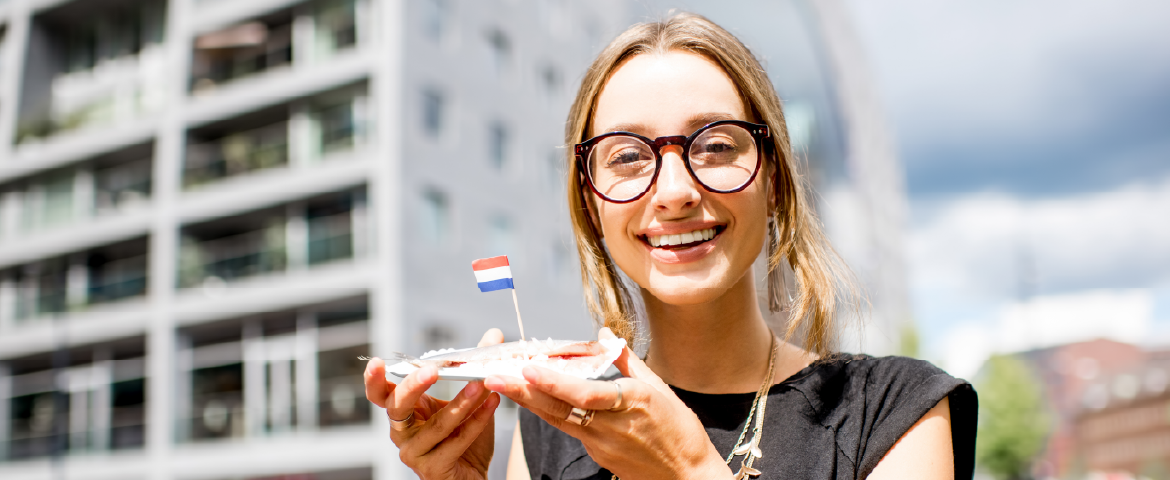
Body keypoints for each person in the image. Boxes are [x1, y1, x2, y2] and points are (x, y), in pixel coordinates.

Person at [363, 12, 977, 480]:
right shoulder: (548, 431)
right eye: (628, 157)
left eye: (715, 145)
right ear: (591, 203)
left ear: (773, 181)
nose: (676, 191)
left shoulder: (896, 412)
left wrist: (688, 470)